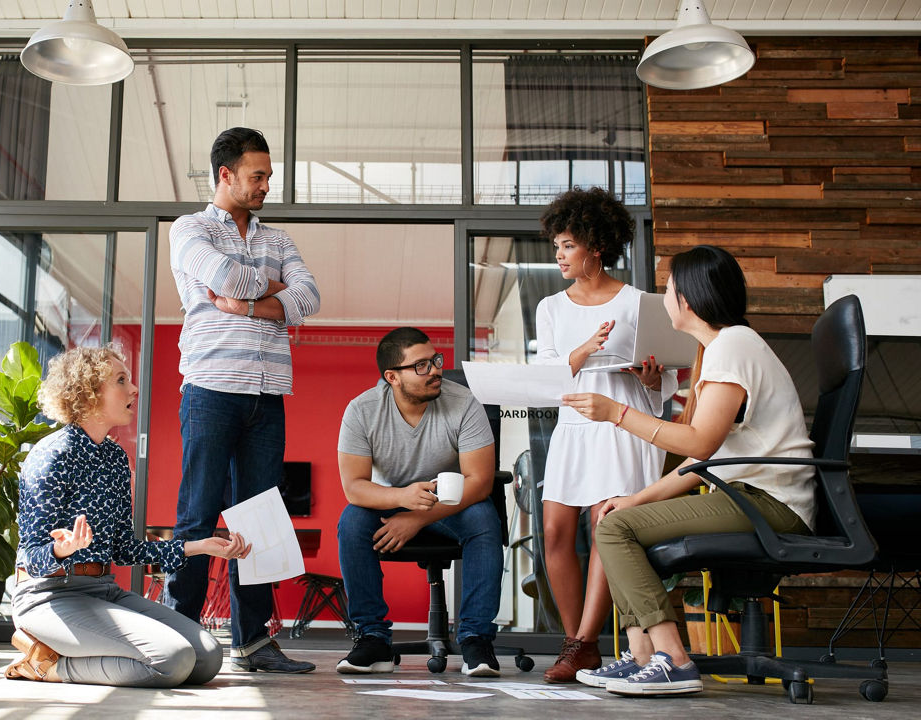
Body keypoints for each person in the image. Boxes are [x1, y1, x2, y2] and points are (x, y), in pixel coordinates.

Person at [561, 245, 816, 696]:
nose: (664, 297)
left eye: (669, 288)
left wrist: (616, 412)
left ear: (689, 300)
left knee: (616, 531)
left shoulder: (732, 346)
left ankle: (673, 660)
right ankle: (643, 656)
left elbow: (699, 443)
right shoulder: (723, 348)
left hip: (770, 503)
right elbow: (706, 460)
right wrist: (635, 499)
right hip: (749, 494)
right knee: (614, 519)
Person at [164, 127, 320, 673]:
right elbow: (225, 275)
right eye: (257, 176)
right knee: (198, 514)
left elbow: (310, 297)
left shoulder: (278, 240)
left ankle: (253, 642)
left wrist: (247, 304)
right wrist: (272, 288)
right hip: (210, 389)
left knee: (260, 520)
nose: (265, 187)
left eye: (269, 177)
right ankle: (178, 634)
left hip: (268, 393)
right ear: (225, 174)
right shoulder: (188, 229)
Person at [6, 345, 254, 688]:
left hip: (103, 589)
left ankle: (67, 654)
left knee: (208, 656)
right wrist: (61, 551)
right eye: (121, 380)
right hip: (49, 596)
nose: (134, 389)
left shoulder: (115, 459)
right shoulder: (51, 456)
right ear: (89, 393)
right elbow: (32, 558)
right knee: (173, 660)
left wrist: (198, 547)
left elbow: (124, 549)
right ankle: (48, 666)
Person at [533, 187, 677, 683]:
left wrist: (654, 378)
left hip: (623, 424)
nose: (559, 255)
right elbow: (547, 378)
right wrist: (583, 350)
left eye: (568, 245)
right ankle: (578, 643)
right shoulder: (550, 308)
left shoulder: (640, 304)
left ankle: (582, 644)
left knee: (604, 529)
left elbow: (668, 379)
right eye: (557, 246)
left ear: (595, 245)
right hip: (573, 428)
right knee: (553, 532)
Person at [335, 327, 504, 677]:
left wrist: (416, 519)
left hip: (449, 505)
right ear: (392, 377)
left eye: (436, 360)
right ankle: (373, 638)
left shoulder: (463, 403)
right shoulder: (361, 411)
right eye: (423, 365)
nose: (437, 370)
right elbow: (354, 487)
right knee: (351, 522)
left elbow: (480, 482)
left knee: (483, 518)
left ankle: (476, 639)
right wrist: (402, 500)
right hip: (391, 500)